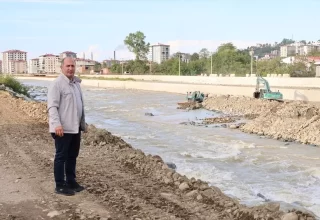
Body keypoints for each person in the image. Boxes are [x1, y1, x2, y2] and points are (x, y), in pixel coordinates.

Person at [47, 57, 87, 196]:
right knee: (61, 156)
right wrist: (56, 124)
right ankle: (59, 185)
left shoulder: (75, 84)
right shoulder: (57, 84)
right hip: (62, 128)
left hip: (75, 128)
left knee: (72, 156)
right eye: (68, 66)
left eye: (72, 66)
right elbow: (52, 106)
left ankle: (71, 181)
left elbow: (79, 105)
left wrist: (83, 123)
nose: (70, 68)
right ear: (62, 67)